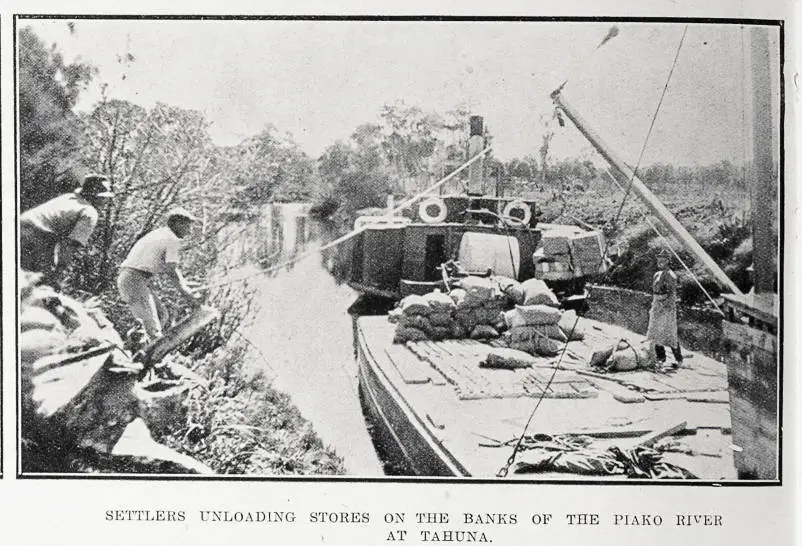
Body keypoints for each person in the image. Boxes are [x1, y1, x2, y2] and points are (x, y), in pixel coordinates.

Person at [116, 208, 201, 341]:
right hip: (134, 280)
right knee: (153, 330)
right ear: (177, 224)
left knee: (161, 316)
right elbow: (171, 272)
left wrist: (185, 284)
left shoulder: (161, 234)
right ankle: (148, 357)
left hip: (131, 278)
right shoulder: (172, 239)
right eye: (187, 226)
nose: (189, 231)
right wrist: (190, 298)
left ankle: (135, 349)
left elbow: (171, 268)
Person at [19, 174, 113, 284]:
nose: (105, 201)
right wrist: (58, 272)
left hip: (20, 225)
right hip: (37, 236)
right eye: (103, 198)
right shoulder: (89, 211)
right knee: (41, 283)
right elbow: (70, 245)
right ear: (95, 197)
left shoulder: (69, 197)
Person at [646, 248, 683, 368]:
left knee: (669, 332)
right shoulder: (656, 274)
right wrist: (655, 305)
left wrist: (665, 306)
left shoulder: (671, 276)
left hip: (667, 307)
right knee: (655, 332)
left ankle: (679, 359)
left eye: (663, 259)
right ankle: (660, 358)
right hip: (657, 304)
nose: (660, 261)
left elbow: (672, 294)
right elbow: (654, 291)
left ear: (668, 261)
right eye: (659, 258)